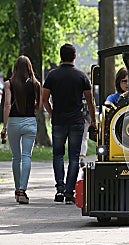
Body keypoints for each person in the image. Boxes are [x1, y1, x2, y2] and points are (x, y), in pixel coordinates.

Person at [42, 43, 96, 204]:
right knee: (74, 157)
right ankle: (69, 191)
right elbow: (90, 100)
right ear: (74, 56)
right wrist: (93, 120)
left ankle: (59, 188)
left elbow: (44, 99)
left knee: (57, 155)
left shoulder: (52, 76)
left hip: (58, 120)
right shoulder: (81, 76)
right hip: (76, 121)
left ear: (60, 56)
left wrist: (52, 113)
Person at [1, 55, 41, 204]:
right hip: (30, 122)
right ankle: (23, 189)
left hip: (13, 122)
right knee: (26, 156)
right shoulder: (36, 84)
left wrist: (4, 126)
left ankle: (17, 189)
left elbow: (7, 105)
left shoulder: (9, 83)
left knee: (16, 157)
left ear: (15, 68)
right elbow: (38, 107)